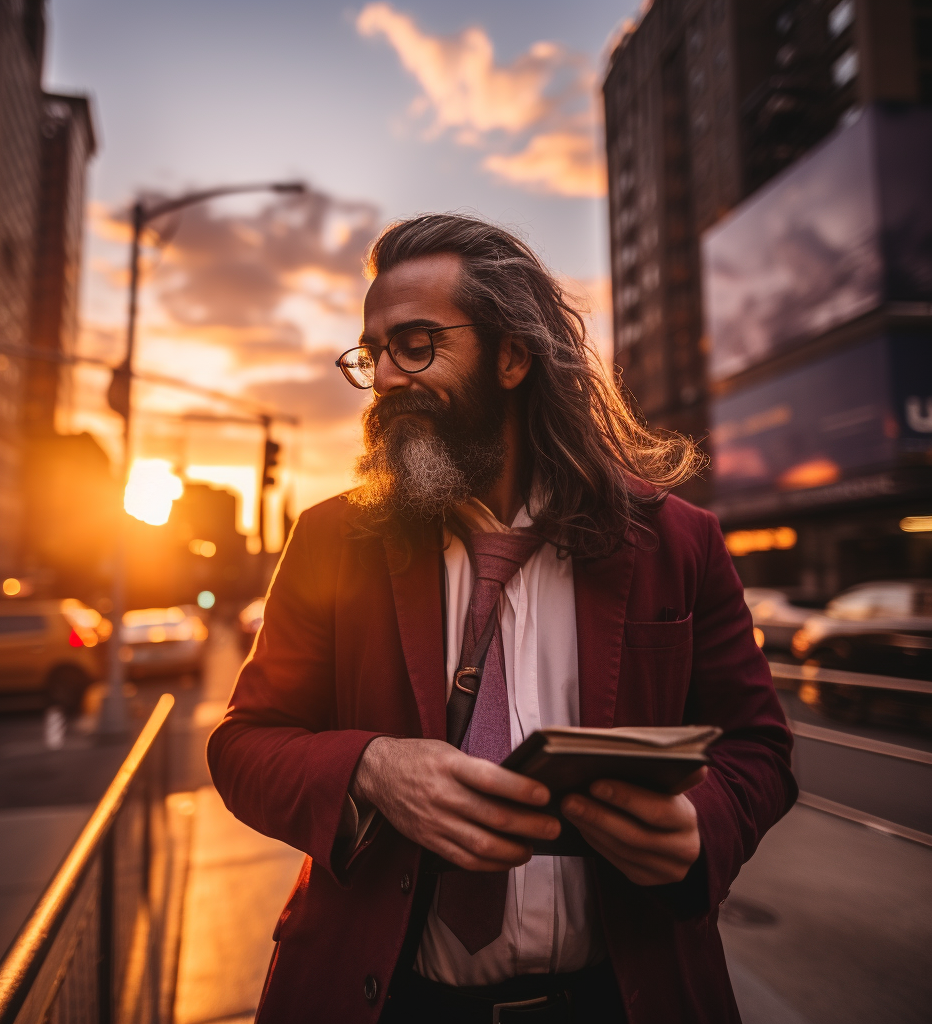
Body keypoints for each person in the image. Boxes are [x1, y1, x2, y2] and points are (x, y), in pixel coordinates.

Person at [208, 214, 797, 1024]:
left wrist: (702, 827)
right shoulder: (328, 541)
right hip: (385, 1003)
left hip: (622, 1000)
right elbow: (244, 744)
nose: (384, 378)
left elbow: (759, 748)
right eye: (372, 353)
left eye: (415, 344)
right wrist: (370, 768)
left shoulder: (677, 541)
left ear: (513, 356)